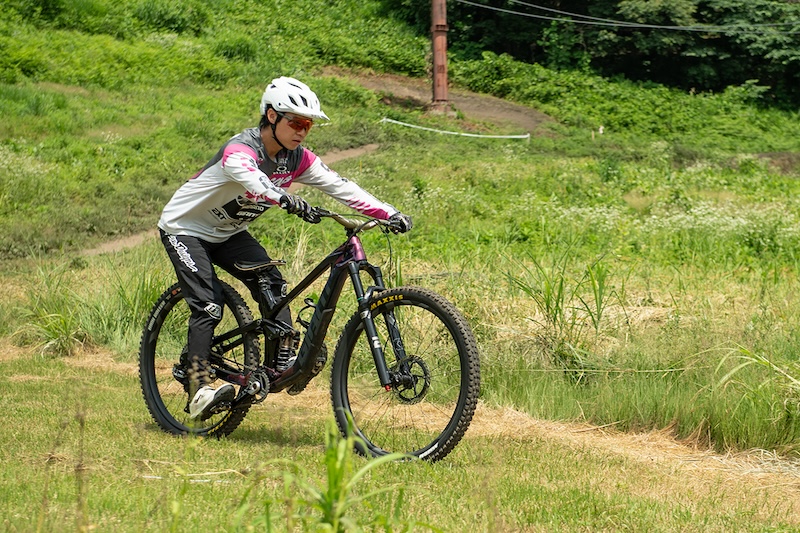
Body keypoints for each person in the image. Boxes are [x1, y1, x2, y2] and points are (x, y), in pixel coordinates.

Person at [158, 76, 412, 420]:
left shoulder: (296, 159)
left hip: (229, 233)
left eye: (308, 125)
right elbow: (253, 179)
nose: (302, 132)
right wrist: (283, 197)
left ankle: (283, 361)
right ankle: (198, 388)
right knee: (208, 305)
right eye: (295, 123)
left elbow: (340, 186)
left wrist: (389, 213)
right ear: (271, 116)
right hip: (185, 228)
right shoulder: (241, 149)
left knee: (273, 284)